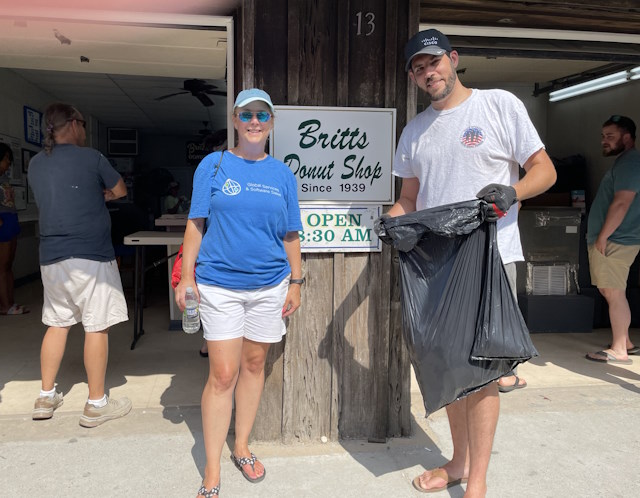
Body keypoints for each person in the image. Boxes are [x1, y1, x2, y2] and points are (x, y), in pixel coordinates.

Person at [384, 29, 556, 497]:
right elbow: (409, 198)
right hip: (438, 264)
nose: (427, 73)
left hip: (492, 258)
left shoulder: (498, 105)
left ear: (453, 59)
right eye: (418, 68)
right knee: (447, 369)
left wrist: (512, 191)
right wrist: (390, 221)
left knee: (480, 374)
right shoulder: (415, 130)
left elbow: (545, 170)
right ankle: (458, 463)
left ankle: (476, 482)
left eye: (433, 62)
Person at [175, 88, 303, 498]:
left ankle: (242, 445)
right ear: (234, 119)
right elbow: (196, 223)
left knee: (253, 366)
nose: (253, 121)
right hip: (219, 286)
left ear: (271, 123)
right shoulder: (214, 166)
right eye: (245, 114)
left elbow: (290, 233)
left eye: (261, 115)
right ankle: (212, 469)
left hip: (270, 287)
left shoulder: (282, 173)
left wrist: (297, 281)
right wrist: (186, 278)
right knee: (223, 374)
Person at [28, 103, 131, 427]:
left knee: (57, 323)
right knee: (95, 325)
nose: (85, 130)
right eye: (83, 124)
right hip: (90, 255)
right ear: (72, 124)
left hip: (52, 257)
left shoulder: (34, 164)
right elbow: (120, 189)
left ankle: (46, 396)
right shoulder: (92, 158)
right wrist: (100, 195)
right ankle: (96, 402)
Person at [585, 115, 640, 365]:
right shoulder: (625, 163)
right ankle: (625, 341)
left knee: (613, 291)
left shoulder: (630, 163)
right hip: (617, 238)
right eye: (603, 136)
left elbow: (621, 203)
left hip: (616, 239)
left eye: (611, 136)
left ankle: (619, 349)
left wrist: (603, 237)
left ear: (627, 137)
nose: (604, 141)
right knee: (613, 291)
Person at [0, 142, 29, 315]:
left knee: (8, 266)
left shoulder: (4, 178)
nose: (8, 163)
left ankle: (10, 302)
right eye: (5, 159)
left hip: (11, 221)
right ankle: (5, 306)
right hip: (3, 223)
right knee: (2, 268)